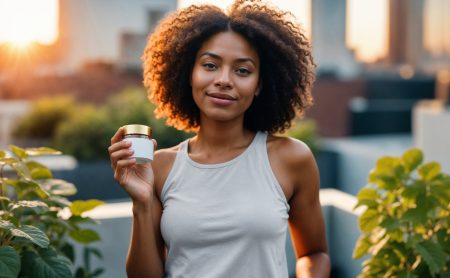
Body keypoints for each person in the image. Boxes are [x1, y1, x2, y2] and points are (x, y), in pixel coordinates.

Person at [108, 0, 330, 277]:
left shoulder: (291, 158)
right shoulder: (160, 167)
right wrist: (141, 205)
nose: (224, 80)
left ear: (260, 84)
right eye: (210, 65)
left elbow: (314, 254)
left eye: (242, 70)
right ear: (189, 74)